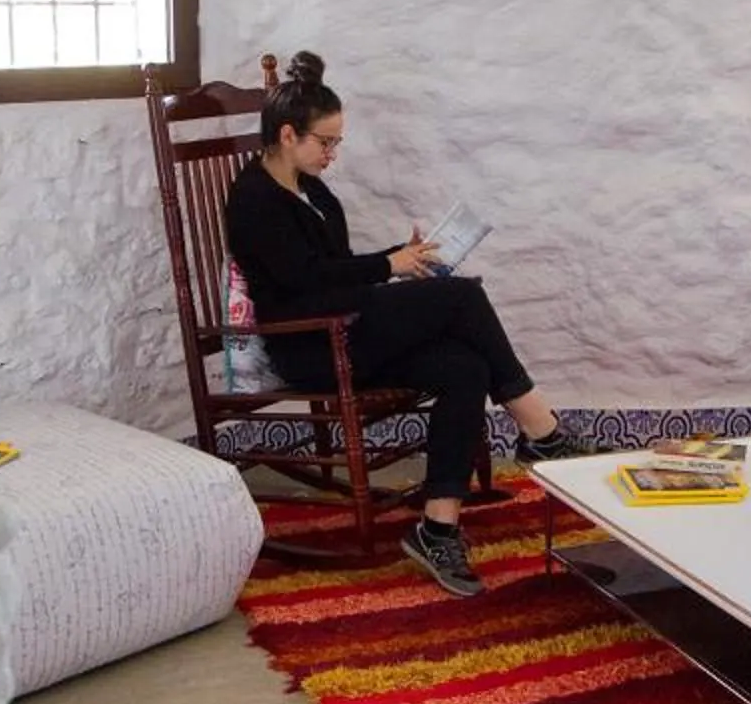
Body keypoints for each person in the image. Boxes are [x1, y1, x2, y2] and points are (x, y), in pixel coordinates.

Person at [223, 51, 589, 598]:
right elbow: (304, 280)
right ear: (287, 135)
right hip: (310, 344)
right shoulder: (253, 200)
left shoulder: (312, 189)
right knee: (461, 297)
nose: (332, 154)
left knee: (465, 367)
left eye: (337, 143)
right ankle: (541, 430)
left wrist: (402, 255)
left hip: (349, 325)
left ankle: (437, 528)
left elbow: (337, 267)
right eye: (326, 142)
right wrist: (387, 266)